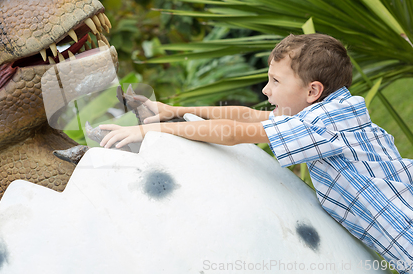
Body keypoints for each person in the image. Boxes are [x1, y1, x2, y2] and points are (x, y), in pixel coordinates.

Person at [99, 33, 413, 272]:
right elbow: (248, 115)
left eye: (275, 81)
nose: (266, 90)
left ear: (312, 91)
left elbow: (235, 134)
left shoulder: (318, 125)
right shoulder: (332, 110)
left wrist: (150, 130)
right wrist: (175, 109)